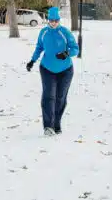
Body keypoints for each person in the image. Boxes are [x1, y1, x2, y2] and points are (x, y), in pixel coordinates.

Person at [25, 7, 79, 136]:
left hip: (65, 70)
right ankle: (48, 126)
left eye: (56, 20)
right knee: (49, 96)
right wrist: (32, 61)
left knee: (60, 98)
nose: (53, 22)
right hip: (47, 69)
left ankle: (56, 124)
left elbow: (76, 49)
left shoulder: (65, 32)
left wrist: (66, 53)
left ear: (59, 20)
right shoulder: (44, 32)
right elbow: (39, 48)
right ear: (48, 20)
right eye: (51, 20)